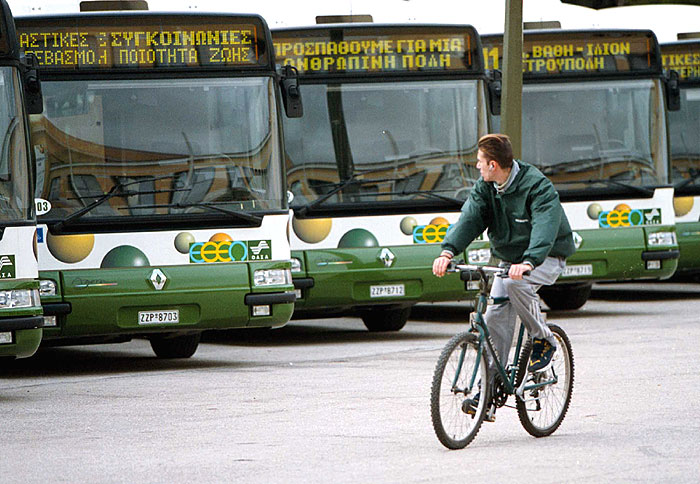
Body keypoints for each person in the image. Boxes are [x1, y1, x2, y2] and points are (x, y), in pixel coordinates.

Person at [433, 133, 576, 415]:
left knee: (514, 282)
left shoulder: (536, 186)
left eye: (479, 162)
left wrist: (530, 261)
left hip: (545, 256)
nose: (477, 166)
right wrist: (448, 251)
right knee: (494, 318)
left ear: (494, 165)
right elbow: (470, 218)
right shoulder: (486, 187)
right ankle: (488, 391)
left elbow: (546, 226)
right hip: (510, 260)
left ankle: (543, 339)